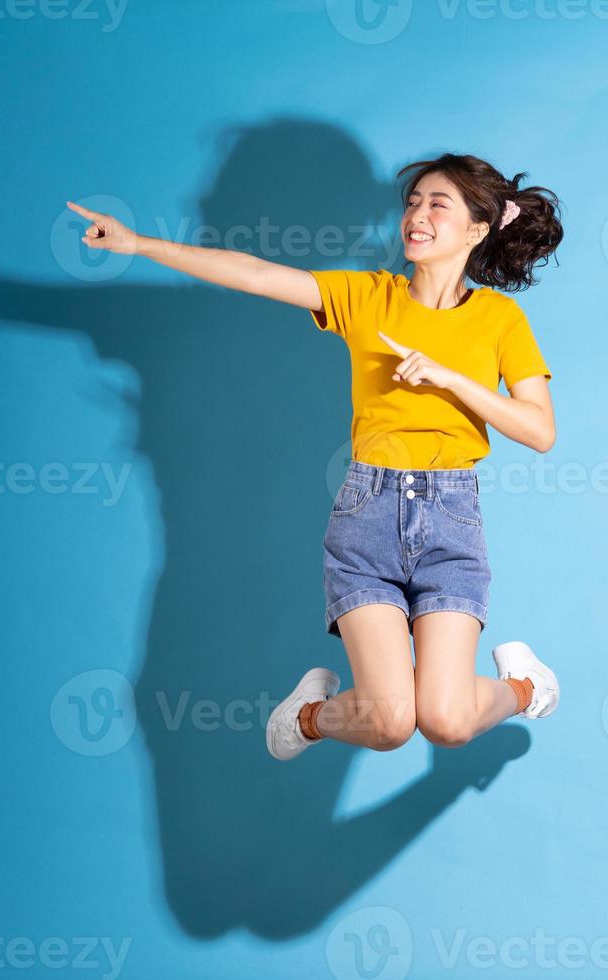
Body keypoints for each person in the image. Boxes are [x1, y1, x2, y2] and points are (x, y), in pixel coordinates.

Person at [67, 150, 563, 763]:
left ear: (478, 229)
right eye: (412, 202)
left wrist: (451, 380)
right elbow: (251, 273)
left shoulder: (499, 319)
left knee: (446, 720)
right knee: (389, 724)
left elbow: (540, 432)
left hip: (450, 520)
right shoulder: (366, 297)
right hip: (368, 514)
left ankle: (523, 685)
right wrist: (138, 243)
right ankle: (306, 716)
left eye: (438, 204)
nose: (417, 215)